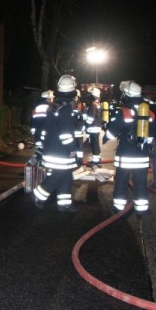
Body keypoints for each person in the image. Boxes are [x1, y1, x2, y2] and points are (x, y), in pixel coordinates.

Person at [103, 80, 155, 215]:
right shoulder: (149, 113)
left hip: (125, 154)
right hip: (142, 155)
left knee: (122, 181)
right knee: (140, 182)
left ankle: (119, 208)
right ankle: (142, 209)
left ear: (127, 95)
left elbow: (111, 133)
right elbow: (151, 136)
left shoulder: (123, 112)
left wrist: (106, 136)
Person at [32, 75, 80, 212]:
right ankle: (38, 195)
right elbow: (66, 133)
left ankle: (64, 204)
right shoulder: (65, 109)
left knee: (66, 176)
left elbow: (46, 128)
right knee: (58, 176)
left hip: (51, 148)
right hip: (60, 151)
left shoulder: (53, 106)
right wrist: (72, 149)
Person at [83, 85, 103, 167]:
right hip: (96, 127)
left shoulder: (93, 105)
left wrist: (86, 126)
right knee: (96, 144)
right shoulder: (97, 104)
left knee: (94, 145)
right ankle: (97, 159)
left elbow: (90, 118)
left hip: (93, 128)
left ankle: (95, 161)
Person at [30, 89, 53, 161]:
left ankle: (36, 162)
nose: (51, 100)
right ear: (47, 98)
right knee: (46, 151)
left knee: (38, 150)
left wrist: (33, 131)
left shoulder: (36, 108)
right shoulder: (50, 108)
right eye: (50, 98)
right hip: (46, 134)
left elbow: (33, 121)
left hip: (37, 133)